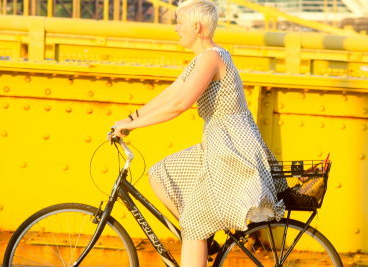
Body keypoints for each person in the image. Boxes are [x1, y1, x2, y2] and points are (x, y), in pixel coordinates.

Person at [113, 0, 285, 266]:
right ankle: (204, 240)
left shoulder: (212, 58)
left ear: (196, 26)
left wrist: (133, 126)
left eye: (179, 23)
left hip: (232, 150)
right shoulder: (204, 59)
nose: (175, 29)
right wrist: (130, 118)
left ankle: (198, 234)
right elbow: (171, 93)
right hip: (218, 144)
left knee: (193, 223)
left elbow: (180, 105)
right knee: (161, 174)